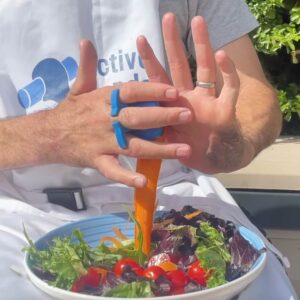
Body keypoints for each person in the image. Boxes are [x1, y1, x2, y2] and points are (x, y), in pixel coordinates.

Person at [0, 0, 297, 299]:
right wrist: (49, 133)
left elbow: (254, 95)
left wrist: (230, 142)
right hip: (20, 213)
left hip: (176, 200)